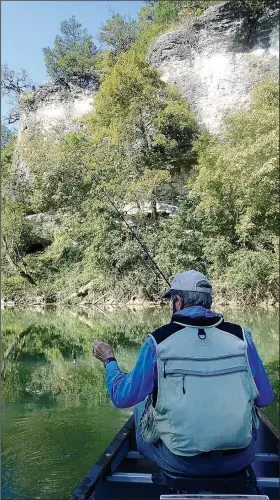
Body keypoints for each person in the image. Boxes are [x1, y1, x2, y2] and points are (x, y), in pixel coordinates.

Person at [92, 269, 274, 477]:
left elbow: (121, 396)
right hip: (240, 458)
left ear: (177, 302)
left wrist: (109, 360)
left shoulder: (157, 341)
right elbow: (265, 399)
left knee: (141, 399)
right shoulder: (242, 337)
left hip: (181, 462)